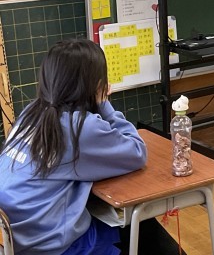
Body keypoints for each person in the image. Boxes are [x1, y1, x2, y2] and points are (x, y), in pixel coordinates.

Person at [0, 39, 184, 254]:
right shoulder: (80, 127)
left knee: (131, 222)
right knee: (140, 223)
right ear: (95, 84)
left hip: (15, 236)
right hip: (48, 244)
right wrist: (103, 102)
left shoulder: (31, 113)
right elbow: (137, 152)